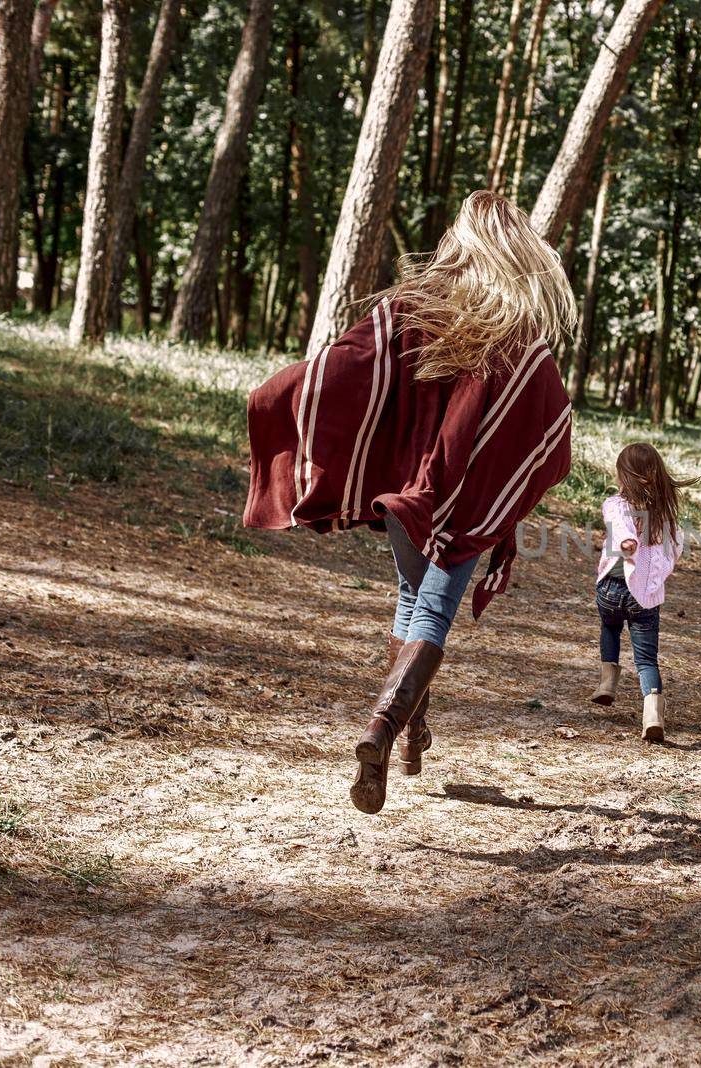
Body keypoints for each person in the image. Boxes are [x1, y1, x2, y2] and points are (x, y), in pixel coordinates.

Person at [243, 191, 576, 814]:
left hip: (408, 501)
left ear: (460, 240)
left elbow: (346, 364)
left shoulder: (409, 308)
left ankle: (408, 738)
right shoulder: (519, 335)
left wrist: (283, 393)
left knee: (410, 598)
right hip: (464, 502)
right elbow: (551, 423)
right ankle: (382, 726)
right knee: (434, 611)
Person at [591, 443, 693, 741]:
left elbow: (618, 524)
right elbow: (674, 551)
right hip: (645, 599)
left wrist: (626, 543)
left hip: (611, 589)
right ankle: (652, 716)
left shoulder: (615, 503)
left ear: (625, 477)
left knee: (609, 628)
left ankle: (607, 683)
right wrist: (656, 577)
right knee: (646, 659)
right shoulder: (667, 517)